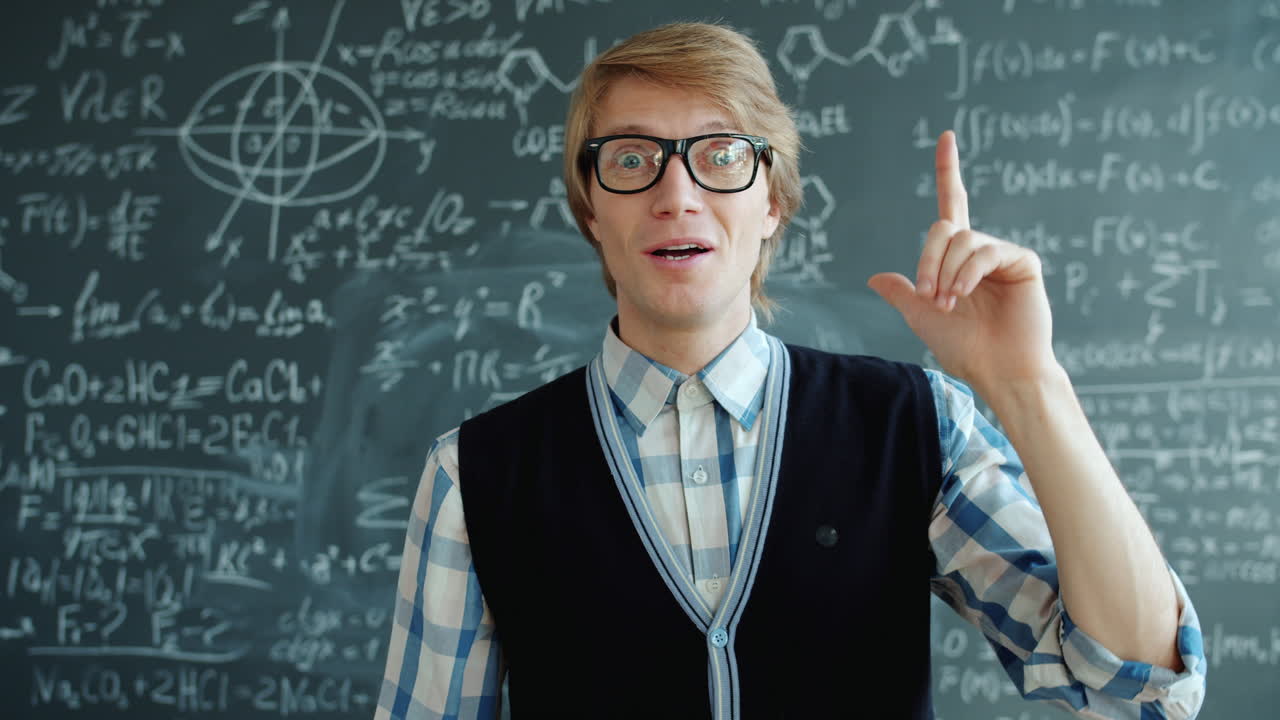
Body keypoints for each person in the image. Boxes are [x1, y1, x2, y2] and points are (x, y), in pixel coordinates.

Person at [376, 21, 1207, 720]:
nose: (677, 195)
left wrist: (1031, 388)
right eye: (632, 159)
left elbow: (1140, 688)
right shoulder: (474, 474)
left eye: (721, 155)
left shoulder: (913, 425)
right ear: (591, 207)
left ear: (771, 200)